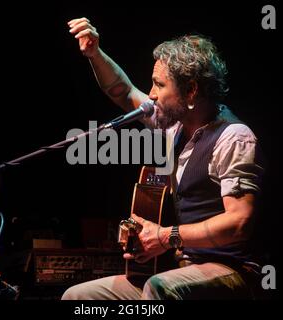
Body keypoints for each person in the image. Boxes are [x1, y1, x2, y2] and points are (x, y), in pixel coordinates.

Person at [62, 17, 265, 300]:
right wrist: (95, 54)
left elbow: (240, 222)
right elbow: (122, 90)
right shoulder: (174, 125)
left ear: (191, 91)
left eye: (159, 85)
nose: (152, 95)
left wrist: (165, 236)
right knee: (80, 297)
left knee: (159, 289)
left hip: (231, 271)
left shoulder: (234, 137)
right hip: (181, 268)